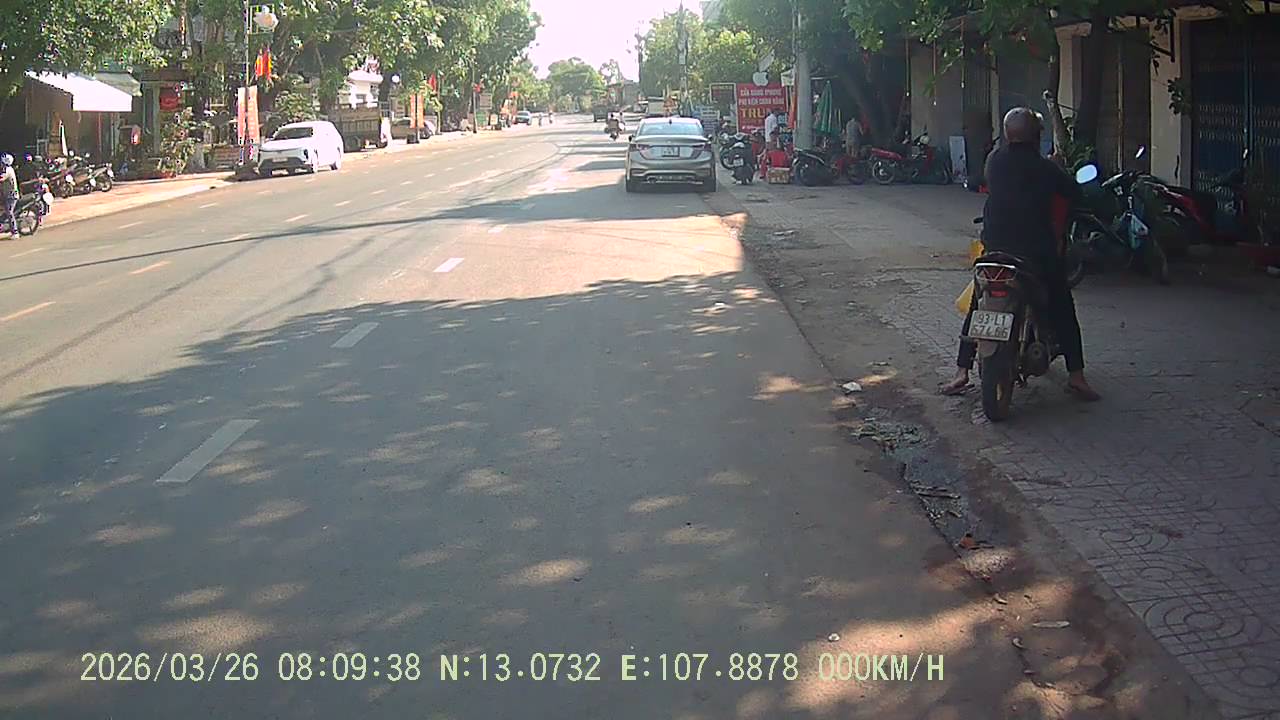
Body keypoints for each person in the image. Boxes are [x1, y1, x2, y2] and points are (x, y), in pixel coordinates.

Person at [941, 107, 1101, 401]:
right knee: (1062, 304)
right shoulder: (1046, 168)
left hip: (994, 249)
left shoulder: (994, 161)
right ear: (1037, 136)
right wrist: (1058, 167)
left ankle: (961, 371)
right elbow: (1075, 194)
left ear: (1007, 134)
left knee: (979, 300)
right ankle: (1076, 376)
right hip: (1035, 254)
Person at [1, 153, 18, 239]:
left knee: (9, 212)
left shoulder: (8, 170)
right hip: (6, 194)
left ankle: (15, 232)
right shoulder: (5, 169)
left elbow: (1, 178)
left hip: (11, 196)